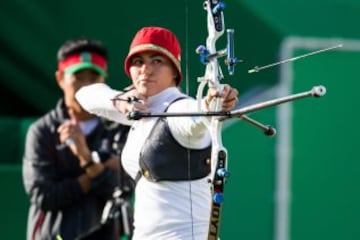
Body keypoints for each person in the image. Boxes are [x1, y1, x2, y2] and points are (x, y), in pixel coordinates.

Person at [76, 26, 239, 240]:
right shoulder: (138, 108)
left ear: (174, 71)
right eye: (138, 62)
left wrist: (211, 106)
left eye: (157, 61)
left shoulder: (179, 109)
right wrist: (120, 101)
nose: (145, 69)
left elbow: (194, 119)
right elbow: (85, 94)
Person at [22, 38, 134, 240]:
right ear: (60, 78)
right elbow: (43, 195)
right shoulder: (41, 131)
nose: (85, 87)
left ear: (104, 80)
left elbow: (123, 190)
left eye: (93, 77)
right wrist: (98, 169)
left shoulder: (120, 129)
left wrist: (86, 158)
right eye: (78, 77)